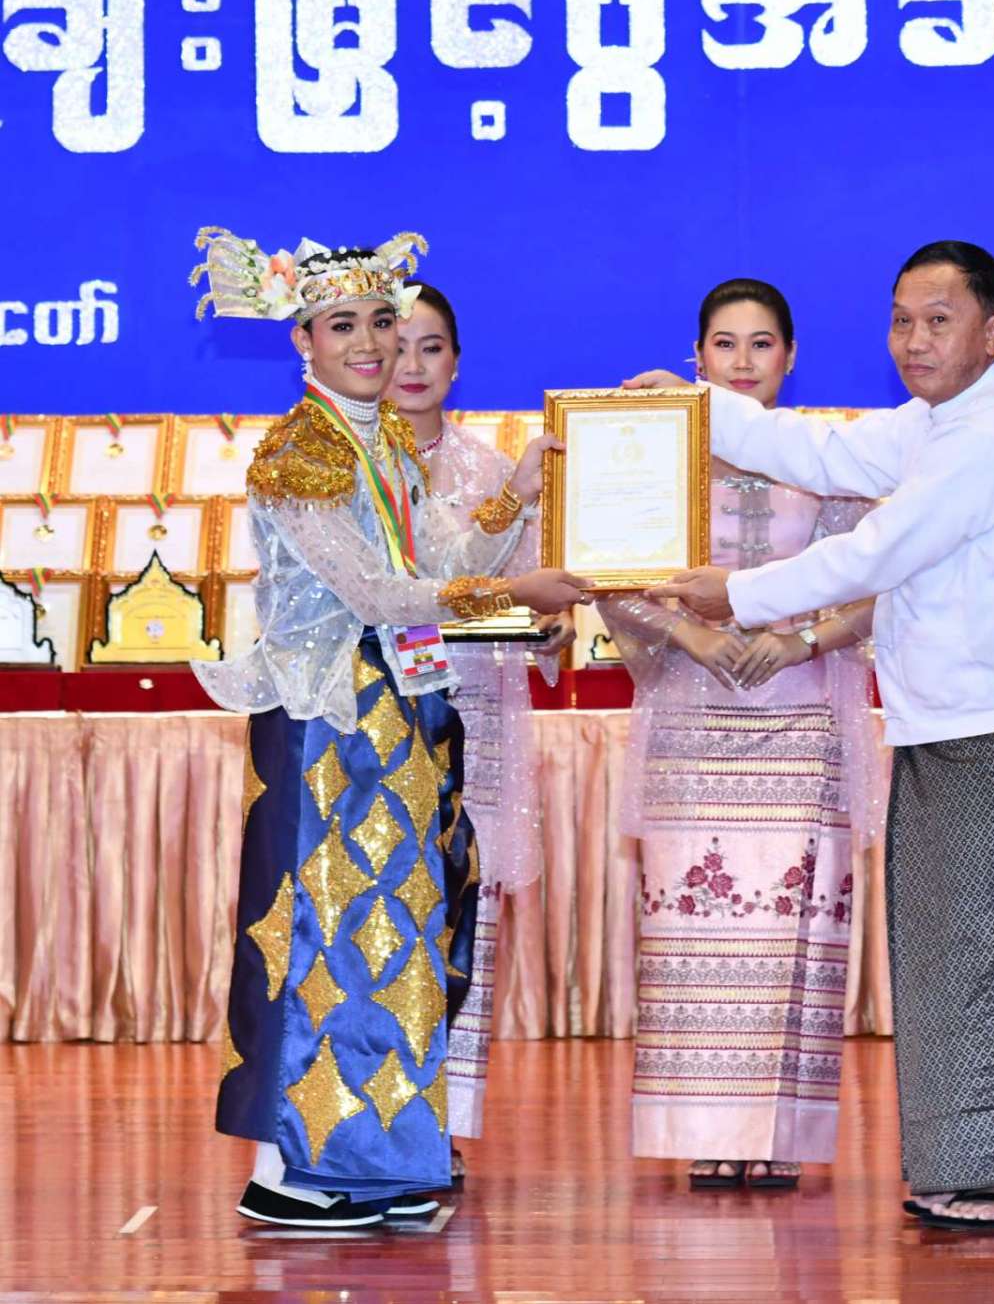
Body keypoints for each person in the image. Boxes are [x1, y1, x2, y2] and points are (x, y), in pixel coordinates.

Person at [627, 241, 994, 1230]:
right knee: (958, 952)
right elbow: (820, 455)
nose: (913, 340)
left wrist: (736, 593)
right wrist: (694, 409)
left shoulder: (986, 436)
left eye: (939, 321)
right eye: (901, 320)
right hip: (956, 724)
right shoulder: (933, 423)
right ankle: (978, 1165)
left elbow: (876, 549)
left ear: (992, 333)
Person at [189, 227, 589, 1228]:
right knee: (321, 937)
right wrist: (514, 589)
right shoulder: (301, 452)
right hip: (326, 721)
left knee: (393, 934)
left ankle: (374, 1165)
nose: (368, 344)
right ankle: (292, 1173)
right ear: (304, 341)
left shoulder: (379, 443)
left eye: (380, 321)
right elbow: (374, 593)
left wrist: (519, 495)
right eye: (342, 326)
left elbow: (440, 557)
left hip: (395, 713)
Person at [603, 278, 881, 1191]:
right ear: (697, 358)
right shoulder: (659, 452)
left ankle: (780, 1132)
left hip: (801, 717)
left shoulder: (826, 458)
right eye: (724, 345)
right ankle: (705, 1127)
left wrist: (802, 638)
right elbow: (612, 575)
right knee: (696, 928)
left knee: (791, 925)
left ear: (791, 358)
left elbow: (877, 583)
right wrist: (693, 636)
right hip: (693, 714)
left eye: (762, 344)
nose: (743, 362)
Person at [387, 280, 574, 1185]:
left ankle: (446, 1127)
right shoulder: (351, 472)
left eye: (432, 347)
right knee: (385, 912)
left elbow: (535, 599)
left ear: (457, 362)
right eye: (398, 345)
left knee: (467, 920)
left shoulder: (498, 472)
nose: (413, 365)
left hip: (479, 723)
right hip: (385, 722)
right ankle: (379, 1114)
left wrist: (549, 628)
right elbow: (398, 599)